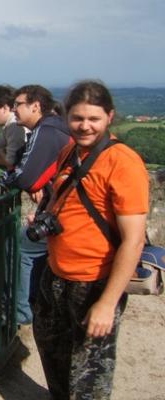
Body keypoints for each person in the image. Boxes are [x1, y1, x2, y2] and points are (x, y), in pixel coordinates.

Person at [33, 80, 148, 399]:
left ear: (109, 117)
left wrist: (107, 303)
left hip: (94, 282)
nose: (84, 126)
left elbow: (134, 241)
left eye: (93, 119)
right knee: (53, 352)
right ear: (67, 117)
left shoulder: (123, 162)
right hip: (56, 275)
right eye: (77, 118)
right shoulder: (70, 151)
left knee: (89, 376)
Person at [2, 85, 70, 325]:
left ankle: (20, 314)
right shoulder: (54, 127)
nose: (13, 109)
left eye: (18, 104)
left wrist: (10, 178)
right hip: (58, 210)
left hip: (61, 217)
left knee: (19, 245)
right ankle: (37, 303)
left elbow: (25, 177)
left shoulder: (46, 131)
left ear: (35, 106)